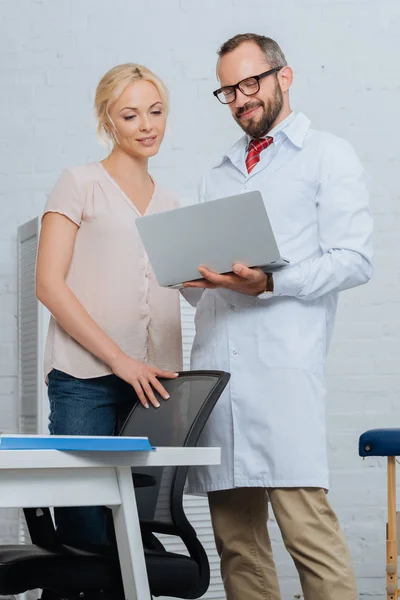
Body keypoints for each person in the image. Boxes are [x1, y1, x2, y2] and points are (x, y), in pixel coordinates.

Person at [183, 33, 373, 600]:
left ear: (282, 78)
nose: (241, 99)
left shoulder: (327, 154)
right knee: (238, 548)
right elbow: (215, 287)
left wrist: (271, 281)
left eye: (250, 84)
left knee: (309, 539)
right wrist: (194, 281)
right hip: (220, 375)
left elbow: (355, 259)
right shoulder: (217, 174)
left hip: (282, 377)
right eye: (228, 91)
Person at [36, 63, 182, 552]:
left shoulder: (172, 203)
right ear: (108, 122)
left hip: (155, 387)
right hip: (85, 382)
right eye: (131, 114)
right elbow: (49, 286)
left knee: (139, 533)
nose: (147, 125)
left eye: (155, 111)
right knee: (85, 533)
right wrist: (118, 359)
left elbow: (181, 289)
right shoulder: (78, 183)